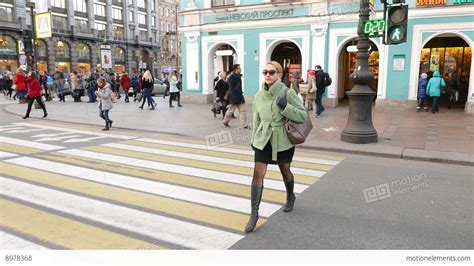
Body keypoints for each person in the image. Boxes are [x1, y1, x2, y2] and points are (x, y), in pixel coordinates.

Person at [245, 61, 307, 233]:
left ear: (279, 74)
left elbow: (302, 115)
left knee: (285, 170)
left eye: (271, 72)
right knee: (258, 174)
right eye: (265, 72)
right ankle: (254, 213)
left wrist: (285, 107)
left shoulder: (288, 93)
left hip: (283, 140)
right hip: (263, 139)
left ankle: (290, 196)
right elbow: (256, 119)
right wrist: (253, 139)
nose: (267, 75)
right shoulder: (259, 95)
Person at [223, 64, 248, 128]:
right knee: (230, 111)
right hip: (234, 97)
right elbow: (231, 89)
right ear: (236, 69)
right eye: (239, 68)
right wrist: (235, 98)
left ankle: (244, 125)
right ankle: (225, 121)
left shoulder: (239, 76)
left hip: (240, 96)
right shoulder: (231, 77)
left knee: (243, 111)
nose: (240, 69)